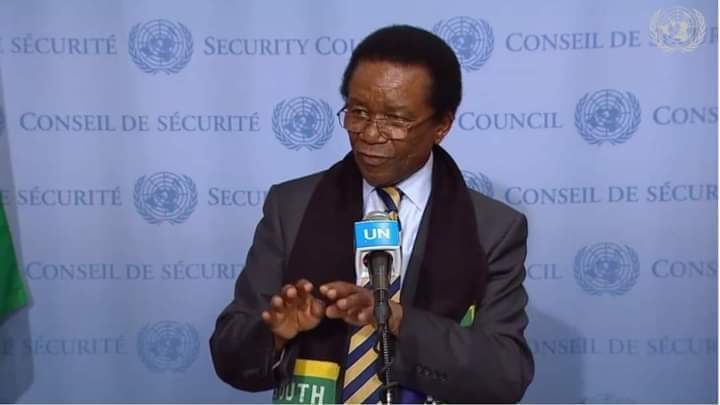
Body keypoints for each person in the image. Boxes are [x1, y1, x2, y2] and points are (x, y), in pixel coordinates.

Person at [210, 24, 533, 403]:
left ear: (442, 125)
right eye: (358, 112)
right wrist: (275, 334)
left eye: (395, 120)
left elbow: (505, 375)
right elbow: (229, 356)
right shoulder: (291, 206)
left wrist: (394, 319)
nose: (370, 134)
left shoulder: (492, 229)